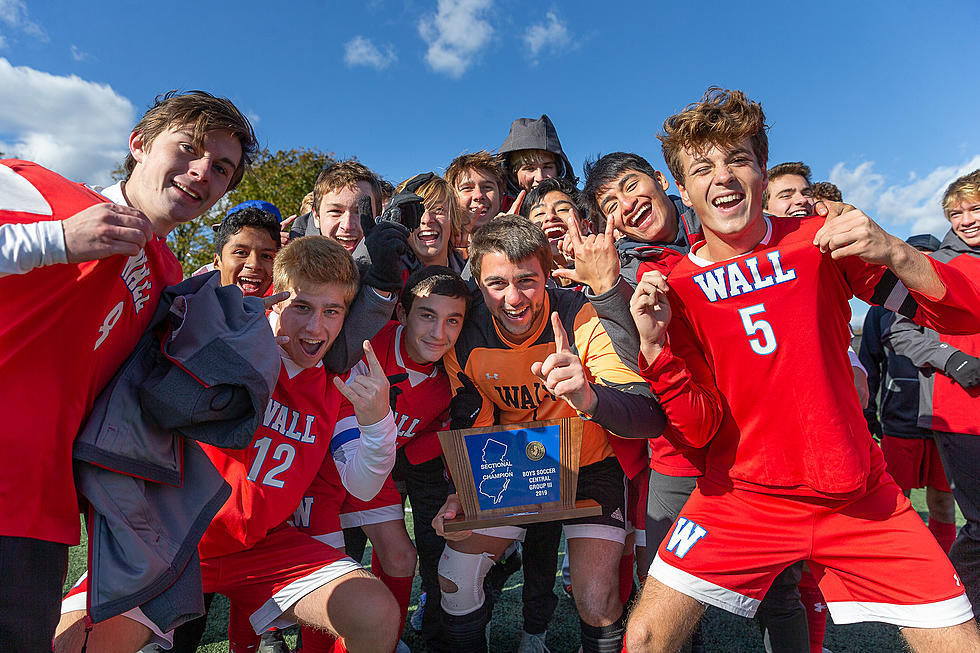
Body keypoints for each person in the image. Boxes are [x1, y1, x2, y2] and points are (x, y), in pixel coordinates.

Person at [624, 87, 980, 653]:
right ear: (684, 190)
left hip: (859, 496)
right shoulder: (677, 287)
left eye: (738, 158)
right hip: (742, 497)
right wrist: (655, 347)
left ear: (762, 172)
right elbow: (696, 428)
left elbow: (962, 312)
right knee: (643, 638)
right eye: (703, 167)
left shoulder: (819, 241)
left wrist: (894, 249)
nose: (723, 176)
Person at [56, 236, 403, 653]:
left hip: (261, 547)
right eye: (302, 307)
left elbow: (362, 486)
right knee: (73, 644)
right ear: (274, 301)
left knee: (375, 611)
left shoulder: (338, 380)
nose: (316, 327)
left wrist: (378, 420)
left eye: (332, 311)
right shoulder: (236, 349)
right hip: (169, 542)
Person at [0, 90, 257, 652]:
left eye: (220, 168)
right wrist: (56, 240)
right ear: (139, 144)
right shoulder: (41, 190)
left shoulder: (168, 273)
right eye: (187, 148)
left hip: (38, 505)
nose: (200, 173)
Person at [566, 150, 810, 653]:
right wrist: (609, 287)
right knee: (670, 597)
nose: (627, 206)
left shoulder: (727, 224)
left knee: (780, 593)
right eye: (610, 203)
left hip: (757, 447)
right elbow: (641, 368)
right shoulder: (618, 268)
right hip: (679, 455)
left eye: (632, 187)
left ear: (661, 179)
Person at [432, 215, 665, 653]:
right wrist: (463, 487)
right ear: (477, 281)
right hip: (517, 466)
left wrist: (588, 395)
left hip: (591, 464)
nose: (514, 298)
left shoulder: (580, 313)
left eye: (527, 281)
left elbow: (647, 415)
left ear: (548, 272)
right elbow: (472, 418)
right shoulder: (466, 332)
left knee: (596, 600)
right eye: (497, 283)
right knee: (454, 577)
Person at [300, 266, 471, 653]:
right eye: (427, 315)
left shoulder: (453, 377)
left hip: (374, 476)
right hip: (318, 474)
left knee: (400, 555)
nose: (438, 333)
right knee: (324, 578)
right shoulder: (367, 341)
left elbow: (425, 438)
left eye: (452, 320)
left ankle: (383, 644)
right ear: (402, 314)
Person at [884, 169, 980, 610]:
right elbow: (899, 334)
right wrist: (953, 360)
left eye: (974, 208)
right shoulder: (936, 264)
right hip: (959, 416)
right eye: (955, 212)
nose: (965, 220)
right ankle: (958, 609)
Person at [861, 234, 957, 553]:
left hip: (946, 420)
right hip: (899, 421)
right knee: (895, 502)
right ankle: (902, 561)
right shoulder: (880, 310)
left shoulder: (952, 303)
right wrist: (868, 413)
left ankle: (948, 564)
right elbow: (869, 363)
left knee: (943, 502)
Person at [497, 114, 577, 209]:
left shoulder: (581, 208)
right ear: (513, 174)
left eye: (547, 167)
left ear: (560, 170)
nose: (540, 178)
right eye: (530, 168)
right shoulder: (495, 209)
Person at [445, 151, 506, 239]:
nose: (479, 195)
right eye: (467, 188)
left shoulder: (521, 238)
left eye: (487, 187)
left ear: (500, 194)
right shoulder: (438, 245)